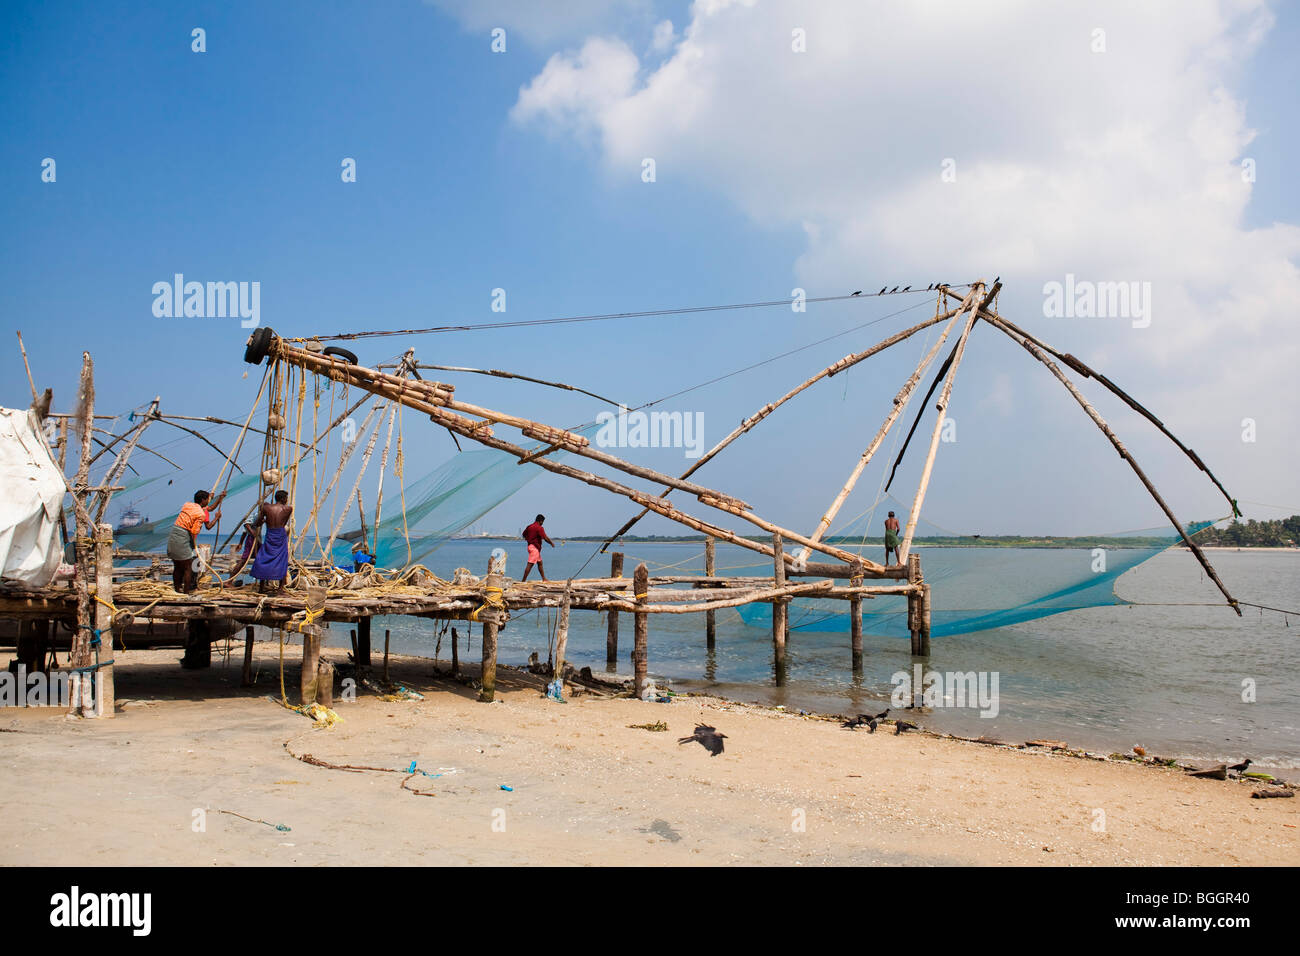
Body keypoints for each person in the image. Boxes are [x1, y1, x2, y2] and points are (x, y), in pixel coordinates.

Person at [167, 489, 226, 592]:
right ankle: (186, 593)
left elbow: (210, 507)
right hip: (183, 537)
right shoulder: (200, 514)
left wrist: (218, 498)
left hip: (174, 534)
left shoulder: (187, 505)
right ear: (203, 500)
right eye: (207, 499)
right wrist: (216, 518)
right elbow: (194, 531)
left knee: (177, 565)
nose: (209, 500)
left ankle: (177, 590)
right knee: (188, 568)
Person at [250, 490, 293, 592]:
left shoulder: (266, 508)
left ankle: (261, 587)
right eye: (286, 498)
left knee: (263, 558)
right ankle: (280, 589)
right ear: (283, 499)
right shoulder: (288, 509)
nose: (287, 500)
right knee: (282, 559)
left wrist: (265, 519)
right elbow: (283, 522)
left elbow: (258, 522)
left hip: (270, 534)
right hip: (280, 535)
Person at [520, 513, 555, 582]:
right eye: (542, 522)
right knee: (530, 564)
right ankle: (523, 581)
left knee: (540, 563)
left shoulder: (529, 526)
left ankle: (544, 578)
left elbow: (523, 534)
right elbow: (545, 538)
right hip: (534, 548)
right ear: (541, 521)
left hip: (530, 547)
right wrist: (551, 543)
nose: (542, 524)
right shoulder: (539, 528)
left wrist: (528, 538)